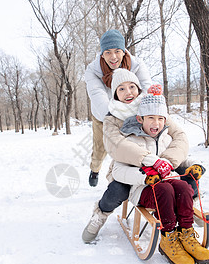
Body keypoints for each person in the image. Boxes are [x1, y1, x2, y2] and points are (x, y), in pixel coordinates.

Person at [82, 70, 191, 244]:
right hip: (129, 165)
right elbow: (116, 145)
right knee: (118, 190)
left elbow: (179, 136)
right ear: (115, 94)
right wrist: (151, 160)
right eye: (121, 89)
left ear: (139, 89)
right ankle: (100, 215)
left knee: (188, 175)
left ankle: (188, 210)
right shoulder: (112, 117)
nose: (128, 92)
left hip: (160, 162)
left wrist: (167, 161)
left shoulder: (152, 107)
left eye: (132, 87)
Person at [111, 92, 209, 264]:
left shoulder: (166, 138)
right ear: (140, 118)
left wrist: (194, 166)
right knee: (165, 191)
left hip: (169, 181)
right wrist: (144, 177)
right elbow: (117, 170)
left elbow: (179, 159)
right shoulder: (129, 142)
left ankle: (186, 233)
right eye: (151, 117)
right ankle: (168, 238)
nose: (156, 123)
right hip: (143, 188)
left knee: (183, 186)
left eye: (160, 118)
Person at [85, 29, 151, 187]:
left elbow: (146, 88)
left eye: (117, 51)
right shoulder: (93, 71)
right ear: (102, 54)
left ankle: (138, 175)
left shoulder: (136, 65)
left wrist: (143, 112)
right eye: (108, 52)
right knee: (101, 148)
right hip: (105, 115)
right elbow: (97, 94)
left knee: (135, 144)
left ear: (123, 51)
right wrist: (113, 115)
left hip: (134, 112)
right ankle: (95, 169)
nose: (113, 57)